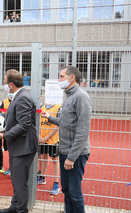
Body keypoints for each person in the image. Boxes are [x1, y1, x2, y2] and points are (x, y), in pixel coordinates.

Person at [41, 65, 91, 213]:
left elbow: (83, 130)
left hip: (74, 155)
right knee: (67, 191)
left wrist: (72, 157)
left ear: (71, 78)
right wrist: (49, 117)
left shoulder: (81, 97)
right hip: (64, 152)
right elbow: (65, 122)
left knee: (75, 194)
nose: (59, 80)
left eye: (61, 76)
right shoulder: (69, 97)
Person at [0, 69, 38, 213]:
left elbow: (24, 124)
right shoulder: (18, 96)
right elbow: (12, 117)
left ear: (10, 84)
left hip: (24, 147)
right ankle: (14, 207)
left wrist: (4, 136)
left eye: (4, 83)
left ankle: (21, 210)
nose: (4, 86)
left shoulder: (22, 98)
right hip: (18, 146)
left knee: (20, 182)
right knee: (16, 180)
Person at [37, 103, 62, 196]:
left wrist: (46, 137)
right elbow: (39, 123)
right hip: (42, 139)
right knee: (44, 157)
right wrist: (39, 136)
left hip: (53, 140)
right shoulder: (42, 107)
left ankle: (56, 184)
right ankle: (42, 177)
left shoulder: (59, 107)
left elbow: (58, 125)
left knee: (55, 160)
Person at [0, 93, 13, 176]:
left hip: (16, 129)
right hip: (7, 129)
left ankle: (14, 169)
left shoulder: (19, 101)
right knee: (10, 151)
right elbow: (2, 114)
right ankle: (11, 168)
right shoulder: (4, 102)